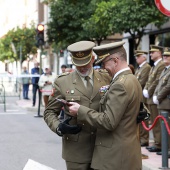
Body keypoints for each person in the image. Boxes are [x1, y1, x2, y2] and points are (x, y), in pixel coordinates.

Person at [68, 41, 143, 170]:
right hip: (127, 153)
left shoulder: (120, 84)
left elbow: (108, 121)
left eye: (104, 63)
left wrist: (80, 110)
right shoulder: (132, 79)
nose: (103, 68)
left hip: (114, 157)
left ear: (115, 61)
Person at [43, 41, 111, 170]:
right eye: (78, 64)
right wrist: (59, 127)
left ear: (92, 58)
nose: (82, 67)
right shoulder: (62, 82)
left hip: (103, 146)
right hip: (76, 150)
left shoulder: (106, 77)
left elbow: (120, 99)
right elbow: (49, 112)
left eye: (85, 63)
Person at [143, 45, 165, 152]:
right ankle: (157, 143)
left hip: (155, 97)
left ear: (159, 53)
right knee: (154, 122)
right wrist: (146, 89)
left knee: (158, 122)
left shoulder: (161, 65)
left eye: (153, 52)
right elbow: (149, 80)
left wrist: (149, 91)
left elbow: (157, 81)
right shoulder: (154, 66)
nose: (150, 54)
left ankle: (160, 144)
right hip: (151, 98)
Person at [153, 47, 170, 157]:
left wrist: (158, 97)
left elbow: (168, 86)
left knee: (167, 128)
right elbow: (159, 85)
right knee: (163, 127)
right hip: (162, 103)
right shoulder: (165, 69)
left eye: (167, 56)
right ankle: (166, 148)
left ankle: (168, 150)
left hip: (166, 103)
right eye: (164, 56)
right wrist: (155, 95)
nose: (165, 57)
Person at [134, 50, 151, 147]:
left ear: (144, 57)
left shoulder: (146, 67)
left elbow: (141, 81)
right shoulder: (140, 68)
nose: (136, 58)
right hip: (139, 95)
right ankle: (141, 137)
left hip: (143, 96)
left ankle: (144, 139)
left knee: (144, 119)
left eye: (138, 56)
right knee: (140, 120)